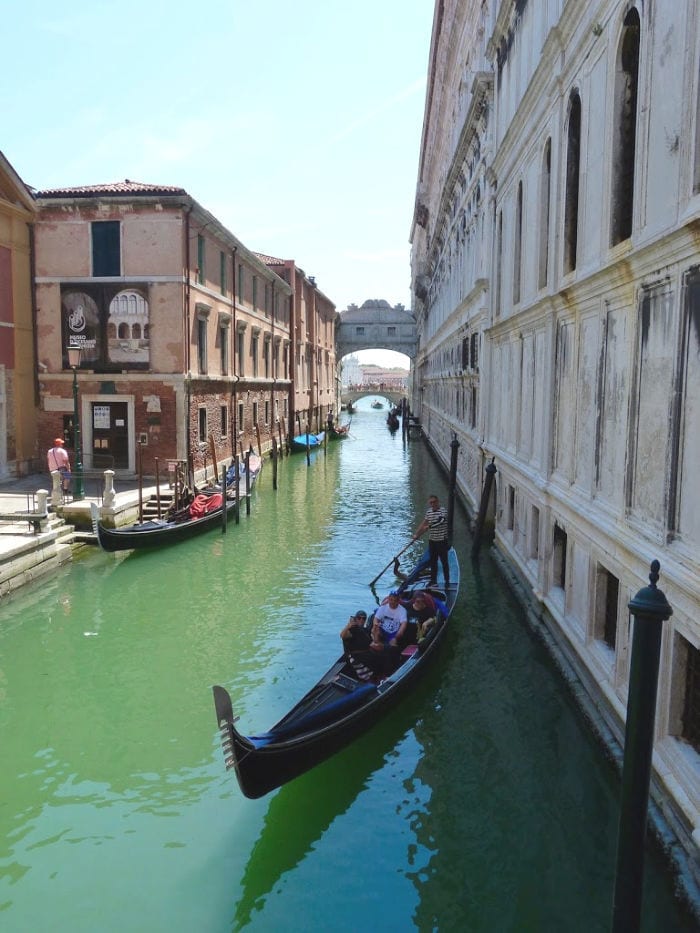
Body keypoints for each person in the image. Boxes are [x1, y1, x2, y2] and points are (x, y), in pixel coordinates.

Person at [413, 494, 450, 587]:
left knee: (444, 562)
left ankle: (447, 581)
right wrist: (416, 534)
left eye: (434, 502)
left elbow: (441, 521)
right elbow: (423, 523)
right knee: (433, 562)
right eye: (431, 502)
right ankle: (433, 581)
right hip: (432, 541)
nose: (433, 504)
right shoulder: (429, 512)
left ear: (438, 502)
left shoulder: (443, 511)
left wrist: (429, 526)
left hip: (442, 541)